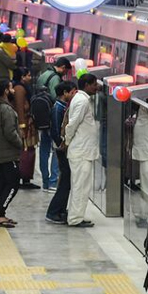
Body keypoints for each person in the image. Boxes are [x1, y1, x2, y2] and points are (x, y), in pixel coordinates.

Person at [64, 73, 100, 228]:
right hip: (81, 151)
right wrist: (67, 140)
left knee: (81, 186)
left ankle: (76, 215)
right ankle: (74, 218)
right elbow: (72, 124)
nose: (97, 87)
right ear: (86, 85)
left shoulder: (81, 99)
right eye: (94, 84)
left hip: (83, 151)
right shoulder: (82, 101)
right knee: (80, 186)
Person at [0, 80, 23, 228]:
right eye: (11, 88)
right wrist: (20, 143)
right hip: (8, 153)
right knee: (13, 184)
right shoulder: (7, 110)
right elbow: (10, 132)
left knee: (2, 184)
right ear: (6, 91)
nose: (14, 90)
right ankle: (0, 213)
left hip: (0, 151)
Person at [45, 82, 76, 224]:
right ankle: (53, 211)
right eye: (72, 92)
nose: (74, 95)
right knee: (64, 181)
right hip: (61, 150)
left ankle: (61, 209)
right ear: (65, 92)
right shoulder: (58, 108)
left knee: (67, 181)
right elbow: (56, 131)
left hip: (63, 148)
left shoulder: (62, 107)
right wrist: (62, 145)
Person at [11, 67, 41, 190]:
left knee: (29, 150)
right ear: (22, 77)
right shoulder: (19, 89)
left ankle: (26, 177)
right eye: (28, 75)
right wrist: (22, 126)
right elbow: (19, 108)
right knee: (25, 151)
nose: (30, 77)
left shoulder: (22, 88)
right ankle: (24, 177)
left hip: (28, 124)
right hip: (25, 125)